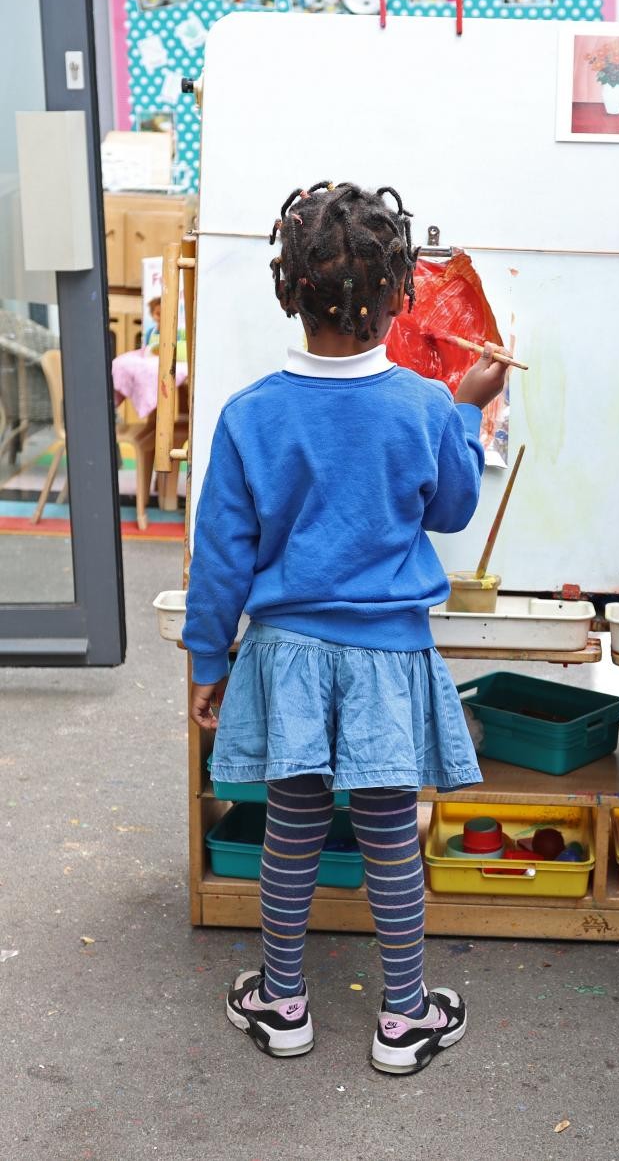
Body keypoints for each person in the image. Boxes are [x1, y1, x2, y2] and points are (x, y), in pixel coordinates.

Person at [183, 181, 506, 1073]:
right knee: (389, 832)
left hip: (285, 655)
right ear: (401, 293)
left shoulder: (250, 413)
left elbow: (221, 556)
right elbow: (449, 510)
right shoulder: (423, 405)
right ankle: (403, 1017)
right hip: (387, 658)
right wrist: (466, 408)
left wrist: (211, 658)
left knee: (291, 829)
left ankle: (282, 1004)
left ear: (290, 288)